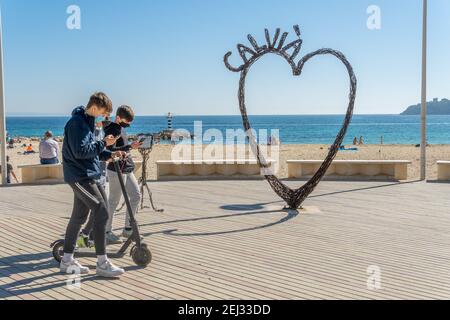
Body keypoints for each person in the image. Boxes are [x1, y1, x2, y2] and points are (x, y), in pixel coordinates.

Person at [60, 92, 126, 278]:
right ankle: (102, 263)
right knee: (101, 211)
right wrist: (103, 142)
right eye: (104, 112)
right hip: (79, 177)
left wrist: (110, 154)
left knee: (79, 217)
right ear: (95, 107)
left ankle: (67, 260)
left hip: (89, 174)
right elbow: (80, 152)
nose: (104, 116)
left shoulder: (86, 122)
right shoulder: (77, 123)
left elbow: (91, 151)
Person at [104, 105, 143, 244]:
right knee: (114, 200)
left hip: (126, 167)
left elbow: (123, 147)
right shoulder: (111, 129)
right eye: (126, 122)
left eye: (129, 124)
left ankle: (127, 228)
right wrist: (129, 147)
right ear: (119, 118)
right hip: (115, 169)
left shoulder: (121, 129)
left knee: (136, 196)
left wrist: (131, 147)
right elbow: (110, 150)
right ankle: (106, 231)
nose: (127, 125)